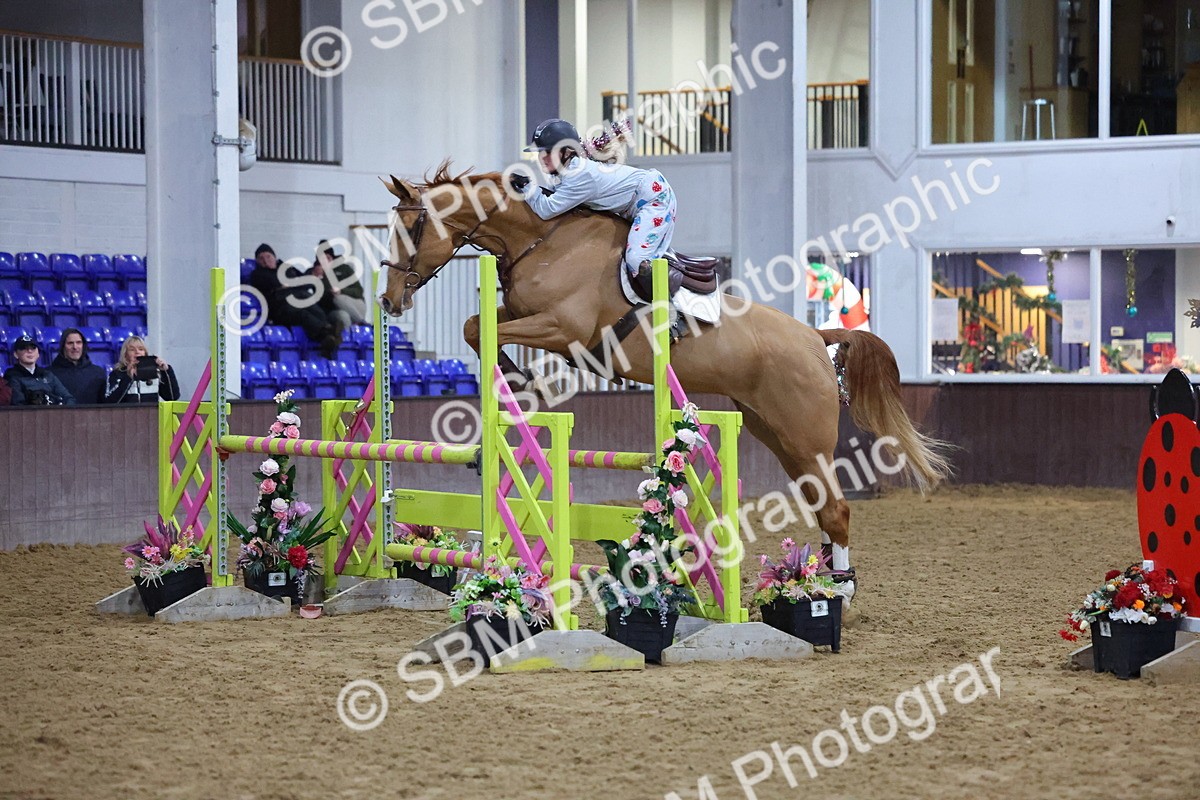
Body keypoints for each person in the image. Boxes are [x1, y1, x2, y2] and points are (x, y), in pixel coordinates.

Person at [514, 118, 677, 295]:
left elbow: (546, 210)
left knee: (636, 259)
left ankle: (669, 312)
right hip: (635, 202)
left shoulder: (579, 175)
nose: (541, 158)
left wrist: (528, 187)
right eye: (539, 152)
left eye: (547, 152)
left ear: (567, 152)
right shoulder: (565, 172)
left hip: (654, 198)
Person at [247, 243, 344, 359]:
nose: (265, 260)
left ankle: (327, 335)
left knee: (310, 302)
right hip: (279, 308)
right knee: (303, 313)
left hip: (298, 299)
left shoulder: (286, 268)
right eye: (261, 258)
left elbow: (304, 279)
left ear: (274, 257)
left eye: (268, 256)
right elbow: (279, 285)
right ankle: (328, 332)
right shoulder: (258, 274)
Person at [103, 335, 181, 404]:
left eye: (141, 349)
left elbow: (172, 397)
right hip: (125, 418)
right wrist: (128, 378)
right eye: (132, 349)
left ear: (145, 353)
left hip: (151, 417)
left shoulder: (154, 372)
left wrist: (166, 371)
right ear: (125, 354)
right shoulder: (117, 373)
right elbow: (110, 402)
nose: (137, 352)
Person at [4, 335, 75, 405]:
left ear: (38, 353)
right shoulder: (12, 376)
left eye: (33, 348)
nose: (29, 351)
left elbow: (68, 398)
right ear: (16, 354)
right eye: (24, 348)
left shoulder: (47, 374)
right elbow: (18, 405)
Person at [312, 240, 367, 325]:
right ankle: (356, 330)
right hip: (333, 309)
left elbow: (359, 291)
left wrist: (342, 291)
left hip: (354, 303)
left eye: (327, 257)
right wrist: (323, 275)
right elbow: (321, 296)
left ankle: (361, 321)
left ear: (332, 257)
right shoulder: (316, 272)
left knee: (339, 298)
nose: (325, 261)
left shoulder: (344, 269)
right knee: (343, 315)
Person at [50, 328, 107, 404]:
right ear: (63, 346)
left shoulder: (98, 373)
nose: (75, 347)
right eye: (70, 343)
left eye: (79, 342)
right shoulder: (50, 374)